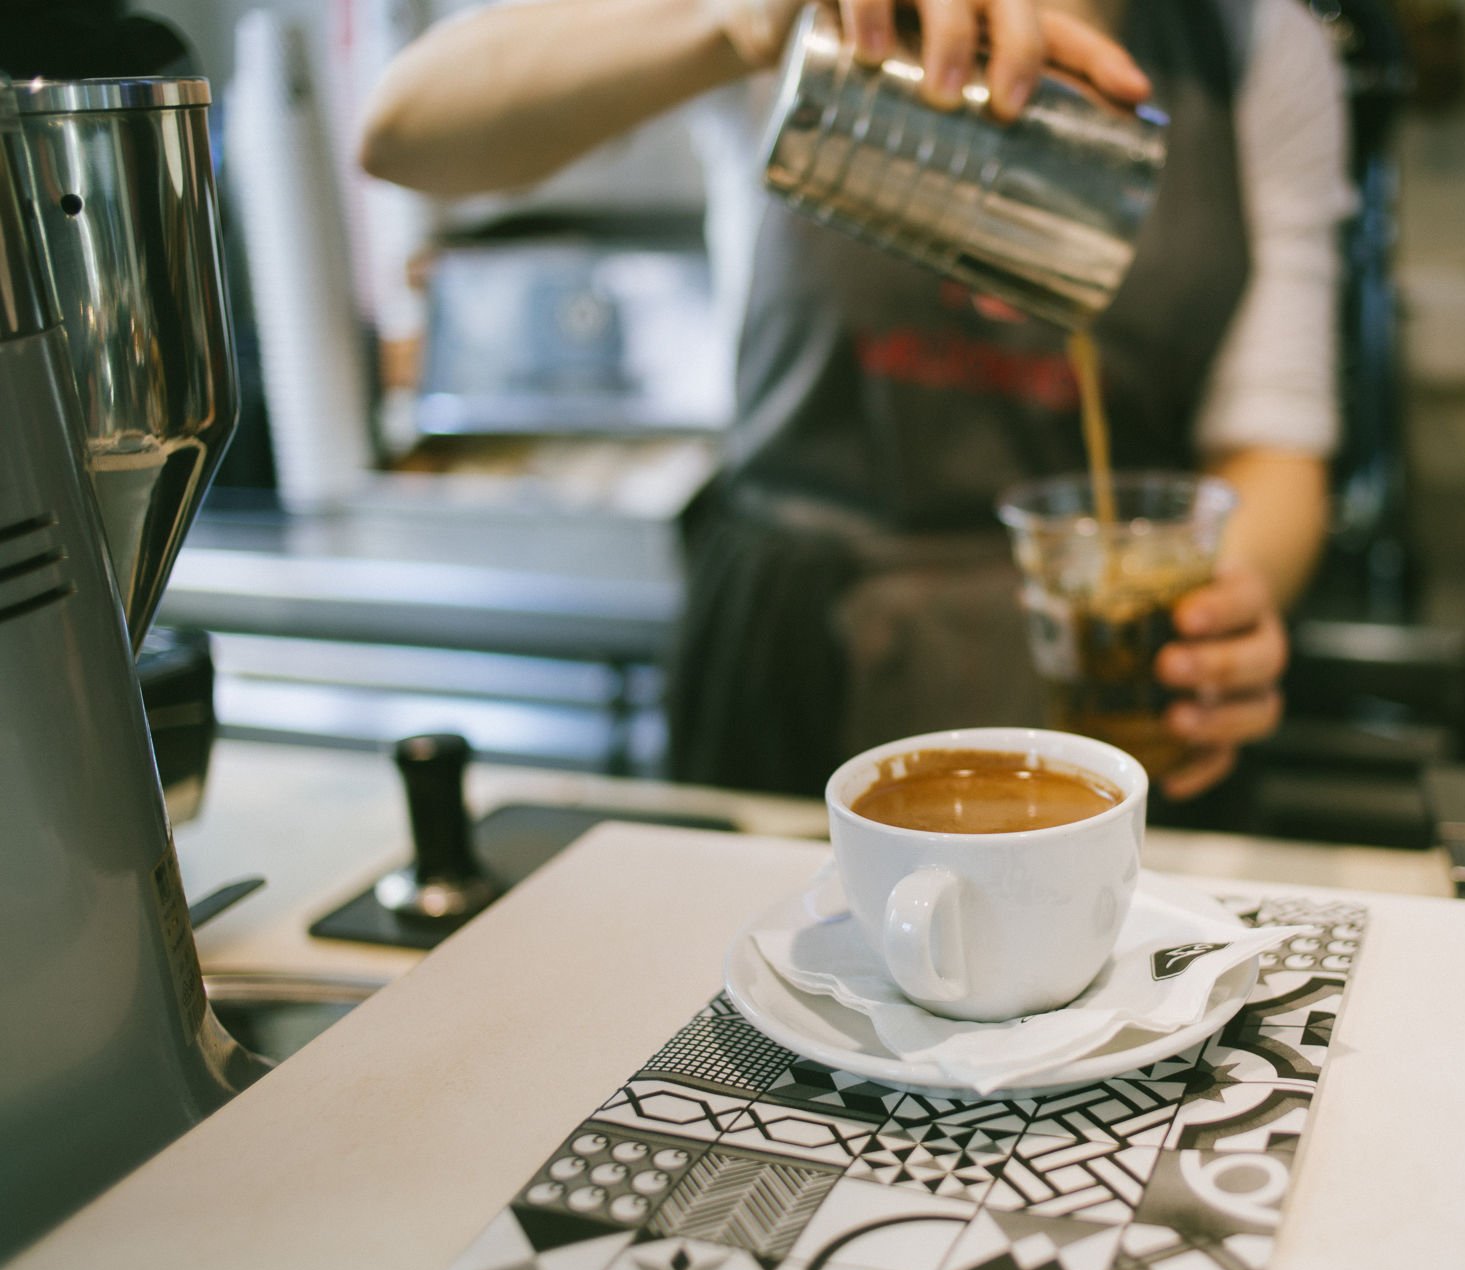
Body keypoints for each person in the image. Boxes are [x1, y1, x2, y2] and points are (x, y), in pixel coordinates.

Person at [362, 0, 1352, 803]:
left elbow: (1273, 446)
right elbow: (404, 130)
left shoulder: (1257, 42)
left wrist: (1213, 621)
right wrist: (739, 21)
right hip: (794, 660)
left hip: (1083, 679)